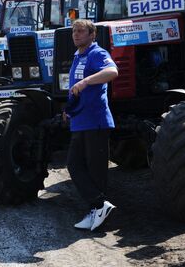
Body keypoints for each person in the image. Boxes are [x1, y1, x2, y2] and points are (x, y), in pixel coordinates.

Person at [66, 19, 119, 231]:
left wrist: (86, 81)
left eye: (81, 31)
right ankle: (98, 207)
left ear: (92, 35)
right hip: (80, 121)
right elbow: (75, 89)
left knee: (96, 171)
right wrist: (68, 111)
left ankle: (99, 210)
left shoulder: (97, 53)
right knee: (75, 165)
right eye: (74, 31)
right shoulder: (78, 56)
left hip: (95, 121)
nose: (76, 35)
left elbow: (112, 72)